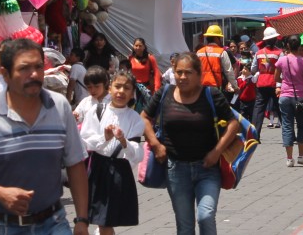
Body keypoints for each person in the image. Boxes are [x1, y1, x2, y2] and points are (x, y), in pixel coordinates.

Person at [0, 38, 90, 234]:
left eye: (38, 67)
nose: (34, 74)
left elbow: (75, 165)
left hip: (54, 223)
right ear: (5, 74)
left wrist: (82, 220)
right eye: (24, 68)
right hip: (2, 227)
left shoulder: (59, 107)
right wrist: (0, 194)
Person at [141, 52, 239, 235]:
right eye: (179, 72)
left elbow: (234, 123)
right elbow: (144, 117)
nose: (183, 77)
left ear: (198, 74)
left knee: (205, 216)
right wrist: (155, 144)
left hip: (207, 168)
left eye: (188, 72)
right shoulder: (164, 93)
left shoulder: (212, 94)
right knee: (184, 225)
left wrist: (217, 151)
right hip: (175, 169)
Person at [80, 70, 145, 234]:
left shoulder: (134, 118)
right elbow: (86, 140)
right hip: (97, 167)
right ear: (109, 88)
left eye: (126, 88)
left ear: (132, 93)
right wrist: (105, 137)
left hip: (119, 171)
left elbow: (137, 155)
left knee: (106, 220)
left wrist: (124, 142)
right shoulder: (97, 111)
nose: (121, 91)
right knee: (99, 218)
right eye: (117, 86)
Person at [276, 35, 303, 167]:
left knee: (287, 125)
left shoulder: (282, 60)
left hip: (285, 96)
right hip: (301, 97)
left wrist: (286, 82)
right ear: (299, 46)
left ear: (287, 46)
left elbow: (276, 77)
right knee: (302, 125)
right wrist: (300, 82)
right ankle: (301, 156)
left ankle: (289, 158)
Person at [251, 26, 282, 135]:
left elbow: (253, 69)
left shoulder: (258, 53)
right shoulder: (279, 53)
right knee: (280, 109)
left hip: (261, 84)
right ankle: (288, 135)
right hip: (275, 84)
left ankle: (254, 136)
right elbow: (282, 70)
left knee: (258, 110)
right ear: (274, 39)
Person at [195, 25, 237, 94]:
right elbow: (229, 71)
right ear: (216, 38)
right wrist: (235, 86)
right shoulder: (221, 52)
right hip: (215, 87)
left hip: (201, 87)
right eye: (219, 38)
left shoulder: (199, 52)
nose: (220, 40)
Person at [127, 37, 161, 111]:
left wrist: (156, 88)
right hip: (134, 88)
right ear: (133, 46)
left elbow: (156, 72)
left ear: (144, 47)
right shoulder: (130, 58)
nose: (138, 48)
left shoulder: (150, 58)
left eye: (140, 46)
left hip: (146, 88)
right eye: (136, 45)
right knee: (133, 110)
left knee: (146, 110)